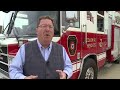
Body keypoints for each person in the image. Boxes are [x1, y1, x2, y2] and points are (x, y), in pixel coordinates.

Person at [9, 16, 73, 79]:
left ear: (53, 31)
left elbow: (69, 67)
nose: (47, 29)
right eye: (44, 26)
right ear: (37, 30)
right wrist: (23, 78)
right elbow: (14, 70)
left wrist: (65, 74)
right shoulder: (24, 49)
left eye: (50, 27)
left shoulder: (61, 49)